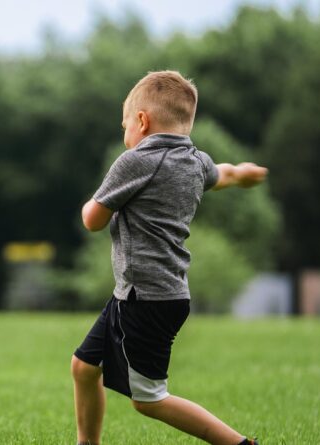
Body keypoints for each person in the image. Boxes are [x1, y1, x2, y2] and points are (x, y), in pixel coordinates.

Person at [71, 70, 267, 445]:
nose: (125, 134)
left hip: (145, 299)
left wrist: (91, 203)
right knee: (84, 367)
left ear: (142, 121)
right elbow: (221, 174)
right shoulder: (194, 160)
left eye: (125, 125)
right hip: (145, 293)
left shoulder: (136, 160)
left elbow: (93, 220)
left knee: (149, 399)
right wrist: (241, 173)